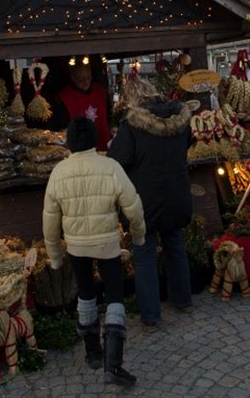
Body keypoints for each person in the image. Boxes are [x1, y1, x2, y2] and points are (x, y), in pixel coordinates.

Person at [42, 116, 145, 386]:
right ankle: (114, 364)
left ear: (69, 143)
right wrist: (138, 235)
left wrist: (54, 255)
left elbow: (50, 221)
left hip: (76, 246)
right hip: (108, 244)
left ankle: (93, 354)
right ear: (94, 139)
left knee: (86, 293)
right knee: (114, 296)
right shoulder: (110, 166)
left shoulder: (58, 172)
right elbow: (133, 206)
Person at [107, 77, 193, 325]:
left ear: (133, 98)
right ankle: (183, 300)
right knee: (175, 246)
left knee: (144, 255)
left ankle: (151, 314)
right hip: (176, 195)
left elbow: (117, 161)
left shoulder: (132, 126)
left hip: (144, 201)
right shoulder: (180, 119)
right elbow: (187, 145)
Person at [55, 63, 111, 151]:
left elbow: (108, 115)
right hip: (80, 149)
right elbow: (63, 129)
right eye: (81, 79)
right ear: (73, 78)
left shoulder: (100, 91)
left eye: (88, 78)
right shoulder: (65, 98)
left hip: (103, 143)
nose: (85, 82)